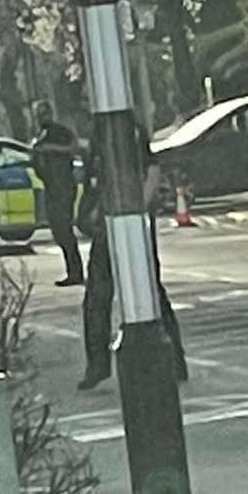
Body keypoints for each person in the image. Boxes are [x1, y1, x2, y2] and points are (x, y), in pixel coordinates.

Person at [77, 124, 188, 391]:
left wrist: (140, 208)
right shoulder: (98, 131)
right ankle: (97, 364)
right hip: (108, 222)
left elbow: (151, 169)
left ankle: (174, 361)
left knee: (150, 292)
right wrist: (88, 212)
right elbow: (93, 181)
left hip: (132, 222)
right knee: (97, 296)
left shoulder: (126, 129)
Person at [30, 105, 85, 287]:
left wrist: (50, 149)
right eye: (39, 115)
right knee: (58, 232)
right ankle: (72, 271)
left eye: (44, 113)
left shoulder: (60, 132)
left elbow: (73, 147)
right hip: (52, 187)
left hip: (64, 187)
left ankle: (75, 272)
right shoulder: (40, 134)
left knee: (65, 230)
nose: (41, 117)